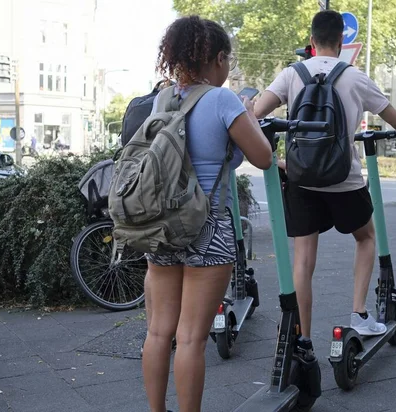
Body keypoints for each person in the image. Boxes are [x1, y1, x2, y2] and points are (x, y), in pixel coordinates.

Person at [254, 10, 396, 360]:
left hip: (302, 181)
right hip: (344, 180)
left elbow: (256, 112)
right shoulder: (354, 76)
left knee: (303, 260)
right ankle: (359, 313)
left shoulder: (291, 74)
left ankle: (303, 341)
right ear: (341, 42)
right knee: (367, 236)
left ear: (311, 42)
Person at [142, 15, 272, 412]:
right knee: (193, 337)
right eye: (227, 59)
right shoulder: (223, 99)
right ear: (216, 59)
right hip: (208, 227)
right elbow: (263, 158)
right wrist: (248, 112)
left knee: (159, 332)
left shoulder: (161, 99)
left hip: (160, 224)